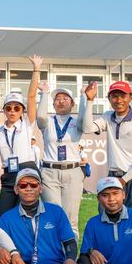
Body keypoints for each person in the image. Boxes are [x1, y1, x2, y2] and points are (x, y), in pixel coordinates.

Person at [0, 169, 95, 264]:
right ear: (16, 190)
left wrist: (70, 259)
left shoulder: (56, 211)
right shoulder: (7, 217)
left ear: (40, 188)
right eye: (23, 185)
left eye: (33, 185)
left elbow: (70, 242)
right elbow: (1, 245)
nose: (28, 188)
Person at [82, 81, 132, 210]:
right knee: (106, 217)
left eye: (123, 96)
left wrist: (124, 180)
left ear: (130, 97)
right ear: (109, 99)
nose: (119, 100)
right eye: (115, 96)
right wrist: (89, 101)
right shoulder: (107, 117)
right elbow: (87, 128)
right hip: (113, 176)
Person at [0, 55, 43, 220]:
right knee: (4, 218)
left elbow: (32, 96)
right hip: (8, 176)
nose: (12, 111)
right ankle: (4, 247)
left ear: (22, 111)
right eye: (9, 108)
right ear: (4, 110)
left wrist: (36, 69)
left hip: (27, 171)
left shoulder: (27, 125)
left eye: (17, 108)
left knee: (29, 216)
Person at [35, 84, 86, 237]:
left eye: (65, 98)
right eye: (57, 98)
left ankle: (70, 258)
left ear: (72, 103)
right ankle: (54, 258)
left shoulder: (76, 121)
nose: (61, 101)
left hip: (73, 171)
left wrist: (84, 96)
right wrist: (44, 93)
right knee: (52, 217)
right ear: (53, 103)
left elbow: (84, 119)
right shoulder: (48, 122)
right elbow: (40, 117)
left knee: (71, 220)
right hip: (50, 173)